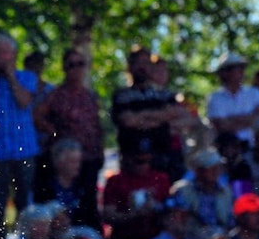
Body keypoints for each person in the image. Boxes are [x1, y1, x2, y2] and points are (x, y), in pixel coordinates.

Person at [33, 49, 104, 228]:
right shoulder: (56, 95)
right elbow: (37, 116)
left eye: (81, 64)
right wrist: (55, 133)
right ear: (65, 68)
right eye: (72, 64)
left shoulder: (90, 96)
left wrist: (100, 151)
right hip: (65, 160)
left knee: (88, 204)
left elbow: (96, 125)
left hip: (89, 160)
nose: (77, 69)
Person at [0, 32, 39, 239]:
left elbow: (24, 101)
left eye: (4, 53)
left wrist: (11, 76)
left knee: (24, 201)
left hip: (24, 148)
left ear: (13, 54)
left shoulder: (27, 77)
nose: (0, 57)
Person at [110, 46, 186, 181]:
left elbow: (175, 115)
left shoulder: (163, 94)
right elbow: (128, 120)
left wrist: (140, 116)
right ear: (130, 66)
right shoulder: (122, 95)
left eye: (146, 63)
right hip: (133, 164)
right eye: (138, 63)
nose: (142, 67)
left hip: (164, 161)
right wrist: (159, 118)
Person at [206, 53, 259, 147]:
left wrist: (231, 120)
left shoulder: (254, 93)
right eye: (238, 68)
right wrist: (250, 118)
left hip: (253, 148)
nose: (242, 71)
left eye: (242, 68)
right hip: (226, 150)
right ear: (225, 73)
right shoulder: (215, 98)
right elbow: (221, 126)